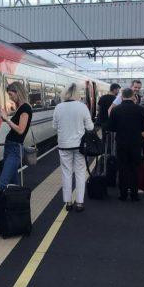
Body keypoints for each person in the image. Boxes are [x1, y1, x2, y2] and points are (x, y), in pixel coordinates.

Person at [53, 83, 94, 212]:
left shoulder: (58, 107)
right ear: (77, 94)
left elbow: (54, 126)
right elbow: (90, 127)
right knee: (81, 173)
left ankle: (68, 202)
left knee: (66, 173)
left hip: (64, 145)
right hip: (80, 146)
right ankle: (80, 203)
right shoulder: (82, 107)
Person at [108, 88, 144, 201]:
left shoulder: (116, 110)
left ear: (122, 97)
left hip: (121, 142)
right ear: (133, 96)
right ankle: (134, 195)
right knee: (135, 168)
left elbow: (111, 127)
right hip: (136, 142)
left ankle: (123, 194)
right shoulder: (140, 109)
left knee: (123, 168)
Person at [0, 81, 32, 189]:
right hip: (10, 147)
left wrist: (7, 119)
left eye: (11, 95)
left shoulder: (25, 108)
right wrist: (4, 117)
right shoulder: (20, 108)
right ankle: (18, 204)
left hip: (15, 149)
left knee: (3, 183)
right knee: (14, 182)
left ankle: (3, 205)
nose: (10, 98)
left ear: (18, 92)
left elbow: (21, 130)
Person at [97, 83, 120, 150]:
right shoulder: (116, 99)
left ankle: (104, 150)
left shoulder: (102, 97)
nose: (118, 92)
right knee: (112, 138)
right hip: (112, 121)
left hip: (103, 121)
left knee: (104, 136)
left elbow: (98, 108)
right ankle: (111, 151)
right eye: (118, 90)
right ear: (114, 90)